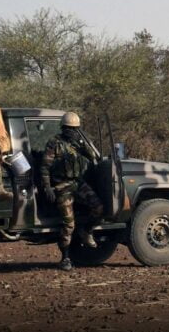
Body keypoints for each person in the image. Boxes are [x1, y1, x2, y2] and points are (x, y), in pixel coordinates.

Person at [40, 112, 103, 271]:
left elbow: (93, 157)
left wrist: (83, 144)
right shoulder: (54, 143)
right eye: (69, 129)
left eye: (75, 129)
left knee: (98, 207)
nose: (72, 132)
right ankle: (65, 257)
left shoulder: (78, 143)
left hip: (77, 183)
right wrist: (47, 187)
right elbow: (45, 167)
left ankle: (86, 231)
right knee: (68, 224)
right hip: (61, 185)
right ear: (63, 128)